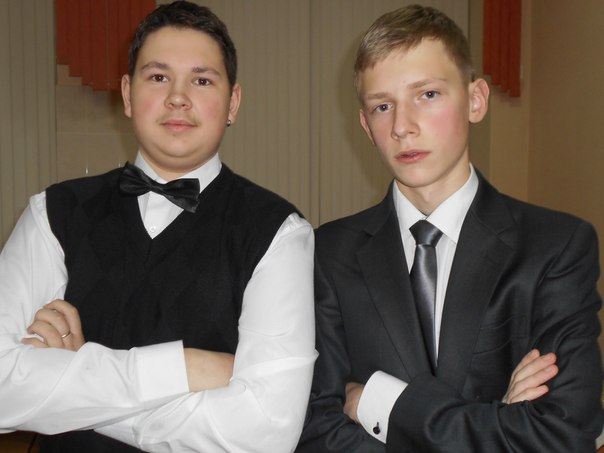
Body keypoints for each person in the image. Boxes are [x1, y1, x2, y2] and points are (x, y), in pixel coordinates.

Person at [0, 1, 316, 452]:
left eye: (202, 80)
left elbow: (266, 433)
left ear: (233, 102)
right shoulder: (52, 212)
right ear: (128, 94)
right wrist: (183, 369)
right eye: (158, 77)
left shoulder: (279, 232)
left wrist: (76, 382)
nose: (178, 98)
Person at [297, 5, 603, 452]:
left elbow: (564, 434)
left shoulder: (556, 247)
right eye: (383, 106)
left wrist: (377, 402)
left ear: (476, 100)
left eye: (427, 94)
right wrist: (498, 419)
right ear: (365, 125)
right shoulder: (327, 252)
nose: (402, 127)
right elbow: (313, 429)